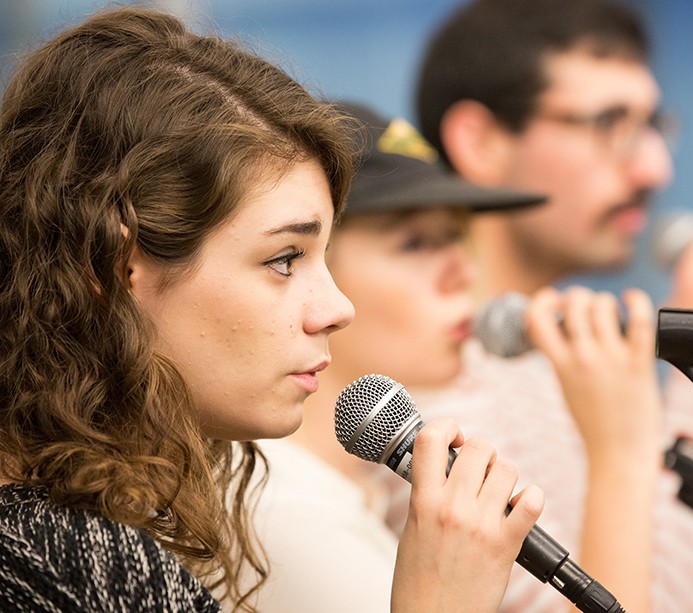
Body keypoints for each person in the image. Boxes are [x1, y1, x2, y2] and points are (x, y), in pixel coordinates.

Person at [0, 7, 545, 613]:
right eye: (285, 259)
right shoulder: (71, 563)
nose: (337, 308)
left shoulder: (94, 535)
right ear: (114, 267)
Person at [379, 0, 693, 611]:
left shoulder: (545, 362)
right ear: (480, 141)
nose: (655, 167)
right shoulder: (432, 388)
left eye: (654, 125)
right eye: (609, 123)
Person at [223, 101, 545, 612]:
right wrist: (621, 451)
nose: (463, 272)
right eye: (416, 244)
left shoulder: (345, 485)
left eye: (456, 238)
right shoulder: (279, 508)